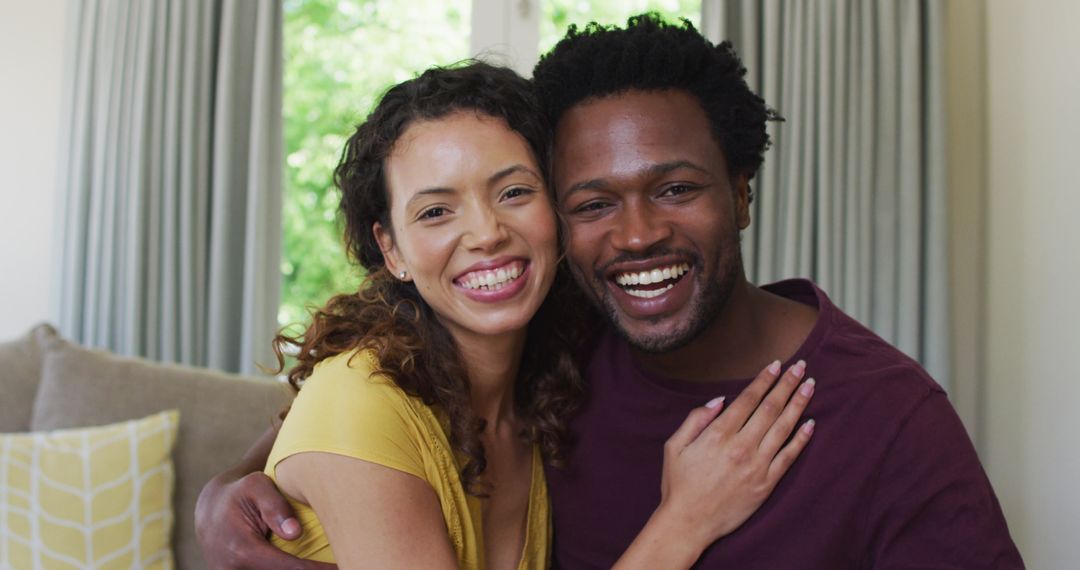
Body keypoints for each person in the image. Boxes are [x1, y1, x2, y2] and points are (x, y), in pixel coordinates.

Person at [197, 14, 1024, 569]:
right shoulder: (570, 347)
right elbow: (347, 414)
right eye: (593, 203)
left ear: (741, 192)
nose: (635, 236)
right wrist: (221, 491)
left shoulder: (887, 415)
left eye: (675, 188)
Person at [218, 60, 815, 569]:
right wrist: (686, 520)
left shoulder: (542, 386)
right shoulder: (361, 397)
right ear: (391, 249)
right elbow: (335, 414)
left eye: (514, 192)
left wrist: (217, 488)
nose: (486, 233)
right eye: (435, 212)